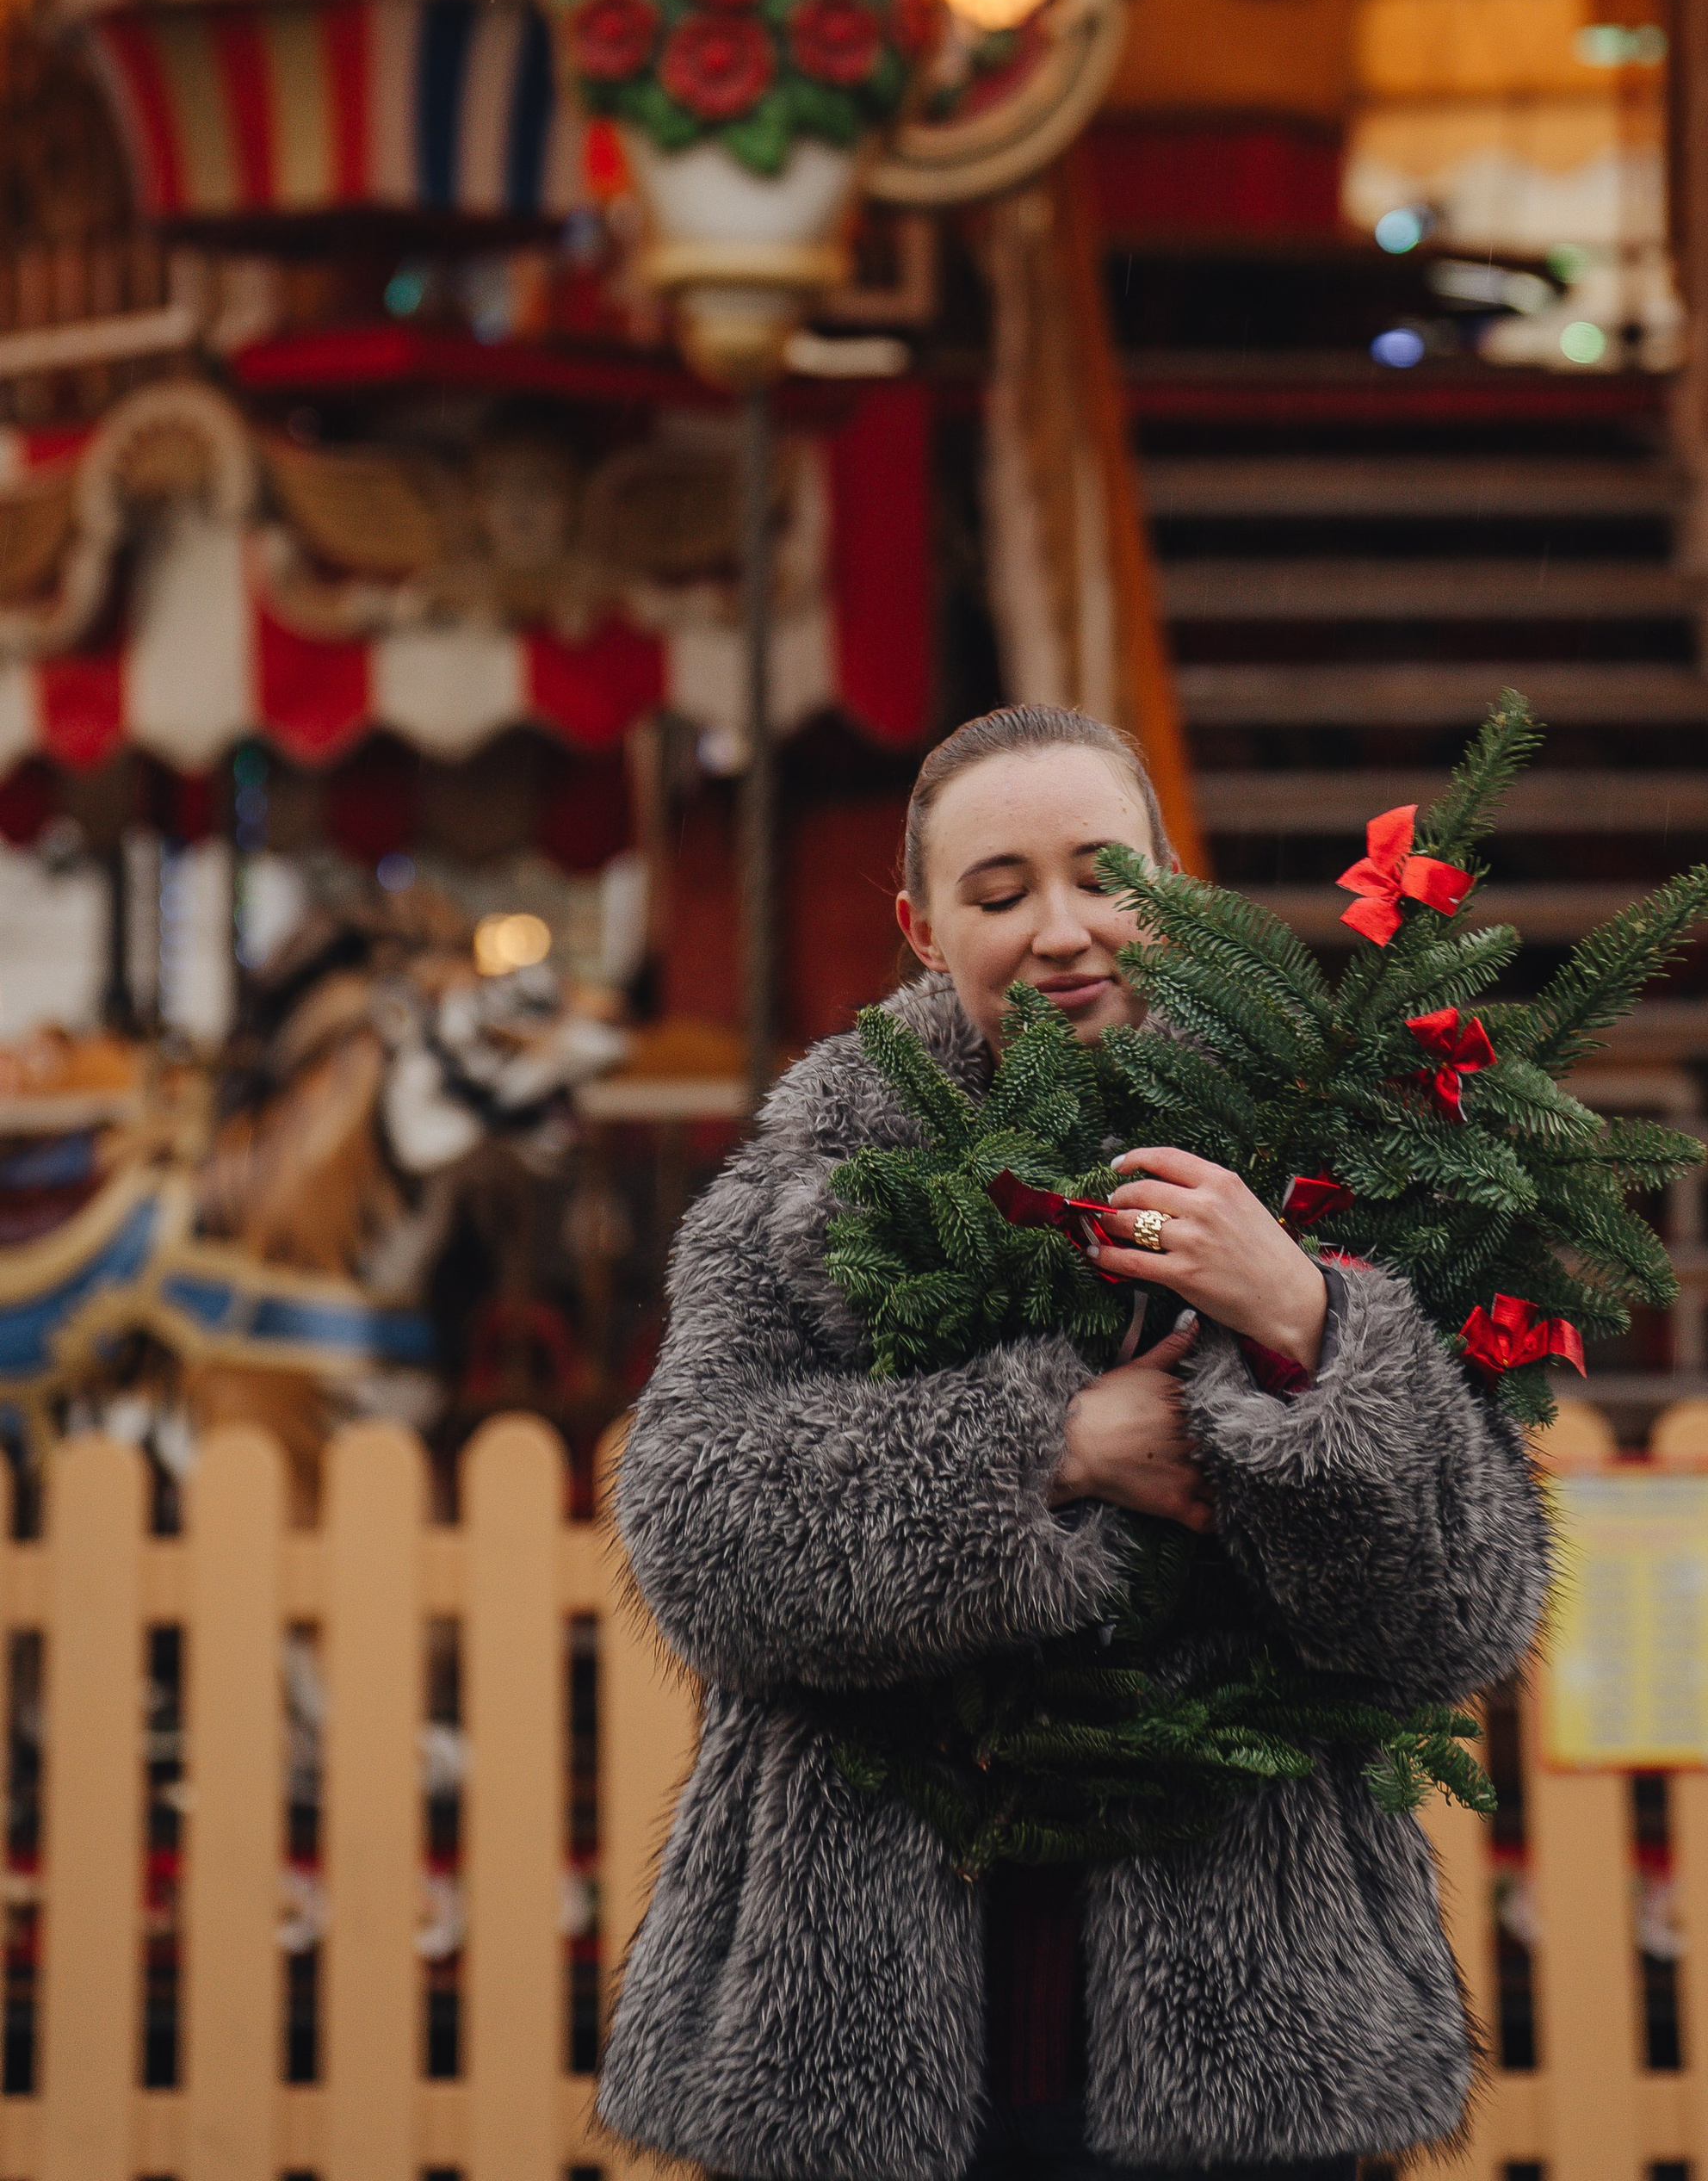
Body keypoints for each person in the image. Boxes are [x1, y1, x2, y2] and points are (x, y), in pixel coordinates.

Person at [597, 703, 1550, 2181]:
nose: (1062, 932)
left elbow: (1462, 1616)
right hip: (853, 2042)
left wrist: (1303, 1318)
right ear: (924, 930)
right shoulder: (806, 1197)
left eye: (1105, 878)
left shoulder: (1329, 1171)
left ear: (1174, 890)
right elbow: (699, 1543)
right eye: (999, 895)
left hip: (1256, 2048)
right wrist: (1054, 1446)